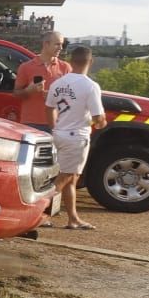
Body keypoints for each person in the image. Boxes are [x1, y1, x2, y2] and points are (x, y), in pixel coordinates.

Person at [46, 45, 107, 230]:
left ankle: (73, 218)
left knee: (70, 179)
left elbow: (49, 107)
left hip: (59, 134)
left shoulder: (58, 83)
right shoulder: (90, 86)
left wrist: (54, 126)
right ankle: (36, 212)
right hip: (77, 137)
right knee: (65, 178)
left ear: (71, 61)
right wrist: (100, 123)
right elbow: (98, 119)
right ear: (91, 61)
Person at [17, 30, 71, 131]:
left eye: (62, 44)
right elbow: (16, 93)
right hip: (31, 123)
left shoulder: (66, 68)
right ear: (46, 44)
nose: (61, 48)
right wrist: (29, 90)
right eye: (57, 44)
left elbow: (73, 96)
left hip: (57, 123)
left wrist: (56, 96)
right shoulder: (25, 67)